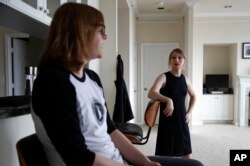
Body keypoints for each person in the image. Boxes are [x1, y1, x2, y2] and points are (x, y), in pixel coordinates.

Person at [31, 3, 203, 166]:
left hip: (117, 160)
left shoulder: (92, 78)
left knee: (194, 164)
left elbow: (111, 131)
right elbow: (78, 157)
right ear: (80, 32)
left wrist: (144, 162)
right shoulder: (52, 83)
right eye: (101, 30)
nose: (105, 36)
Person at [148, 48, 196, 159]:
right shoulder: (164, 77)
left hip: (182, 120)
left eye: (180, 57)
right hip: (167, 120)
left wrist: (190, 112)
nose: (176, 60)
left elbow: (194, 96)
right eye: (173, 57)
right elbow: (151, 93)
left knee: (186, 153)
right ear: (170, 61)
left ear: (184, 61)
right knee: (166, 155)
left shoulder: (186, 80)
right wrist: (168, 100)